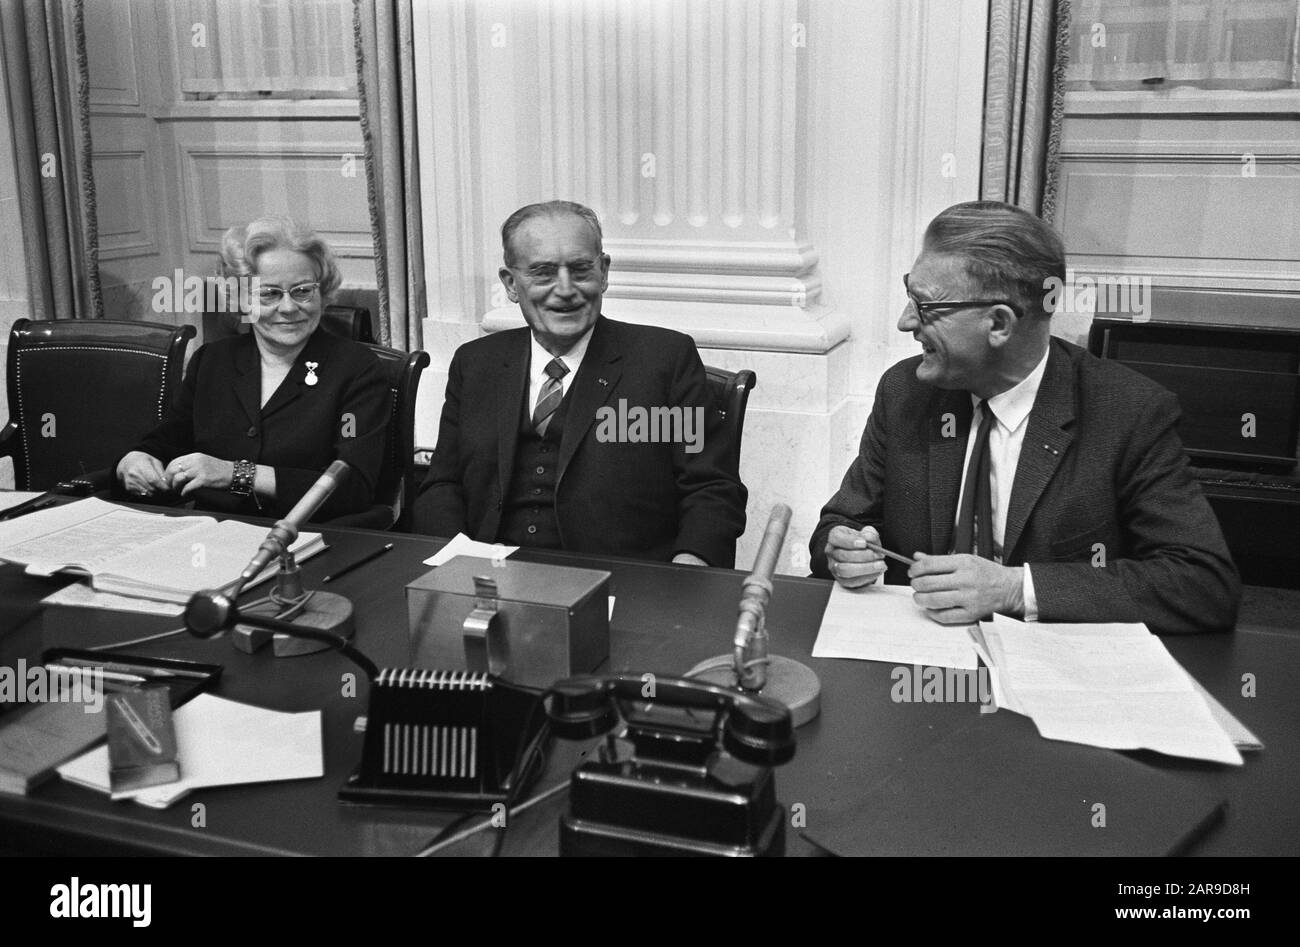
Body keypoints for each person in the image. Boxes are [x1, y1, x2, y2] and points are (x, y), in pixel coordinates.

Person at [810, 201, 1240, 634]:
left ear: (999, 323)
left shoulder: (1128, 413)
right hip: (914, 663)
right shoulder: (905, 392)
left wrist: (1017, 589)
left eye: (925, 306)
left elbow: (1202, 583)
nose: (906, 323)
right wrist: (841, 550)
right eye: (910, 295)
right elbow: (841, 521)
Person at [415, 200, 746, 567]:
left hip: (621, 587)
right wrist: (453, 562)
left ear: (603, 272)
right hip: (490, 581)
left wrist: (687, 570)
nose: (566, 289)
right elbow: (442, 485)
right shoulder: (476, 364)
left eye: (580, 269)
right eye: (542, 273)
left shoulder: (664, 362)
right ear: (510, 283)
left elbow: (711, 490)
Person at [116, 216, 389, 521]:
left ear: (322, 293)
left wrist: (236, 474)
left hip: (309, 541)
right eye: (269, 293)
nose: (288, 307)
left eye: (302, 291)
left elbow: (353, 486)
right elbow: (166, 442)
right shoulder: (212, 361)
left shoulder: (356, 369)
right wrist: (135, 459)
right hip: (209, 538)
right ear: (240, 298)